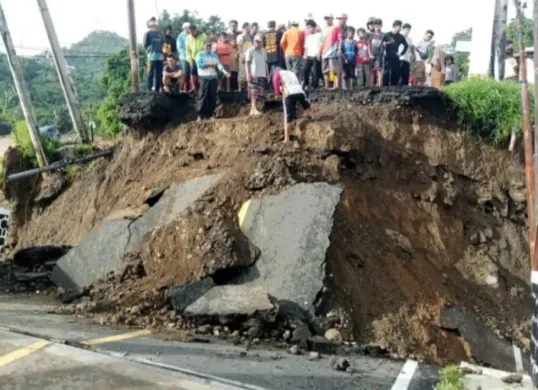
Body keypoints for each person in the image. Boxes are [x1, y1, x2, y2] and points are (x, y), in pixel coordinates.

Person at [273, 68, 311, 143]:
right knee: (306, 104)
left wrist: (277, 93)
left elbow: (276, 79)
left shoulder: (278, 73)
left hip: (289, 92)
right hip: (299, 91)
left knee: (288, 116)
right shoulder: (291, 73)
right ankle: (312, 116)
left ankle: (286, 139)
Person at [195, 40, 231, 121]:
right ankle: (200, 115)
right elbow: (200, 65)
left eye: (209, 46)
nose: (208, 47)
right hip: (204, 77)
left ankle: (210, 114)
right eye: (206, 46)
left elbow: (219, 65)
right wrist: (210, 64)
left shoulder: (214, 55)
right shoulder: (200, 54)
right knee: (202, 96)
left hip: (213, 77)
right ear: (203, 46)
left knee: (212, 96)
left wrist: (225, 72)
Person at [246, 35, 269, 116]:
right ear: (254, 41)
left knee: (259, 93)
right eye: (257, 41)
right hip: (253, 74)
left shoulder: (263, 50)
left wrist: (267, 74)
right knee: (253, 93)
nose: (258, 43)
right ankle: (254, 109)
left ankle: (253, 109)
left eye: (260, 41)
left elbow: (265, 63)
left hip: (262, 74)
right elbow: (247, 63)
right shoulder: (250, 50)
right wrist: (248, 74)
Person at [143, 17, 164, 92]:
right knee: (150, 73)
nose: (153, 23)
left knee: (159, 74)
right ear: (148, 24)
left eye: (154, 21)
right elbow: (145, 44)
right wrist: (149, 51)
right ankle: (149, 89)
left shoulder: (160, 33)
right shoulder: (147, 33)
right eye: (151, 22)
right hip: (151, 56)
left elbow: (163, 43)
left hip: (160, 56)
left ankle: (157, 89)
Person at [321, 14, 342, 88]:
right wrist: (319, 51)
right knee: (325, 71)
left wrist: (339, 49)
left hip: (333, 52)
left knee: (334, 71)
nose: (326, 20)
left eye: (328, 18)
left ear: (332, 19)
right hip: (324, 53)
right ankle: (327, 87)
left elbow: (339, 39)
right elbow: (320, 41)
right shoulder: (323, 29)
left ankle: (336, 87)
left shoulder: (336, 28)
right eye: (325, 18)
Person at [384, 20, 407, 86]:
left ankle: (394, 87)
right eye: (400, 26)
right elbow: (382, 44)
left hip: (396, 57)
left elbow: (406, 46)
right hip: (387, 56)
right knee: (386, 73)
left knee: (395, 73)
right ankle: (385, 87)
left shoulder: (401, 36)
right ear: (395, 26)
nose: (400, 28)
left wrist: (401, 53)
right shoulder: (387, 34)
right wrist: (384, 51)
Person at [186, 25, 207, 92]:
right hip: (193, 58)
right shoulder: (188, 37)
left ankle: (202, 88)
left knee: (202, 74)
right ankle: (194, 88)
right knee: (192, 73)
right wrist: (189, 59)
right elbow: (187, 50)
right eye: (190, 32)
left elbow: (207, 47)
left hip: (202, 58)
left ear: (196, 30)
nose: (191, 33)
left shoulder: (203, 36)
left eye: (193, 32)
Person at [370, 19, 390, 87]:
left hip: (380, 55)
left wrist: (385, 43)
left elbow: (392, 41)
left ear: (381, 26)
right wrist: (370, 54)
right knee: (372, 71)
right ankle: (371, 86)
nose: (377, 28)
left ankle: (380, 85)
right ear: (374, 27)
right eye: (376, 26)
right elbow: (369, 45)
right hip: (372, 54)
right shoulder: (371, 35)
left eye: (379, 26)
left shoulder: (384, 35)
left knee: (379, 70)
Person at [302, 19, 321, 90]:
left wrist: (319, 54)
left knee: (315, 72)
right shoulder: (308, 37)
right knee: (305, 69)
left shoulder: (319, 35)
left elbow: (320, 45)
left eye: (309, 27)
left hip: (316, 55)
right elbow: (306, 47)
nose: (308, 29)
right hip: (309, 56)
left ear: (314, 27)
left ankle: (314, 86)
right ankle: (306, 84)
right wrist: (305, 54)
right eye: (307, 28)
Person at [264, 21, 282, 85]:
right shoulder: (279, 33)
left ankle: (266, 86)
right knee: (275, 73)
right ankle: (275, 86)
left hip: (266, 55)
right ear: (275, 25)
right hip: (276, 56)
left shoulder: (264, 34)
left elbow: (263, 45)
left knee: (267, 72)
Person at [237, 23, 254, 91]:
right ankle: (239, 88)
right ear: (243, 28)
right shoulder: (240, 36)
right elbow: (239, 47)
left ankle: (248, 89)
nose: (249, 29)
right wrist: (241, 56)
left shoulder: (251, 37)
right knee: (242, 72)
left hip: (250, 57)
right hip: (243, 56)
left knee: (249, 72)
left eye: (249, 27)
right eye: (247, 28)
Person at [177, 22, 191, 91]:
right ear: (184, 28)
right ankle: (183, 89)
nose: (188, 29)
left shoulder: (191, 35)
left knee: (192, 73)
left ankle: (191, 89)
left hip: (191, 58)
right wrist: (187, 55)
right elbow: (180, 48)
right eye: (187, 28)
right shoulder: (180, 36)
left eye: (189, 28)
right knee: (185, 73)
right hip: (184, 58)